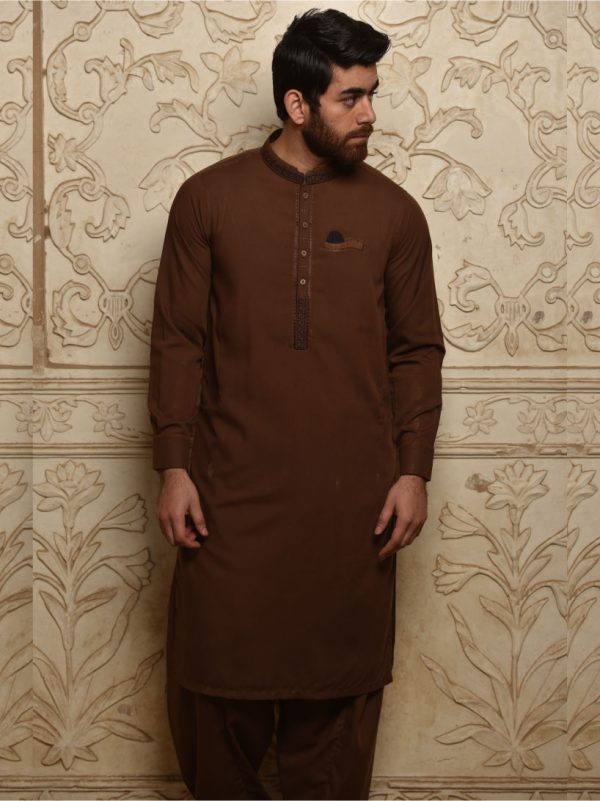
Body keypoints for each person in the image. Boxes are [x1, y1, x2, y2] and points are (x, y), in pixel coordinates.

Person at [147, 7, 445, 799]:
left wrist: (412, 472)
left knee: (338, 719)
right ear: (297, 104)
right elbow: (178, 341)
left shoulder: (395, 213)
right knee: (215, 705)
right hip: (227, 505)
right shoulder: (207, 200)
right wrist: (173, 466)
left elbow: (417, 351)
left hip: (354, 513)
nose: (370, 113)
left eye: (372, 94)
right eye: (352, 97)